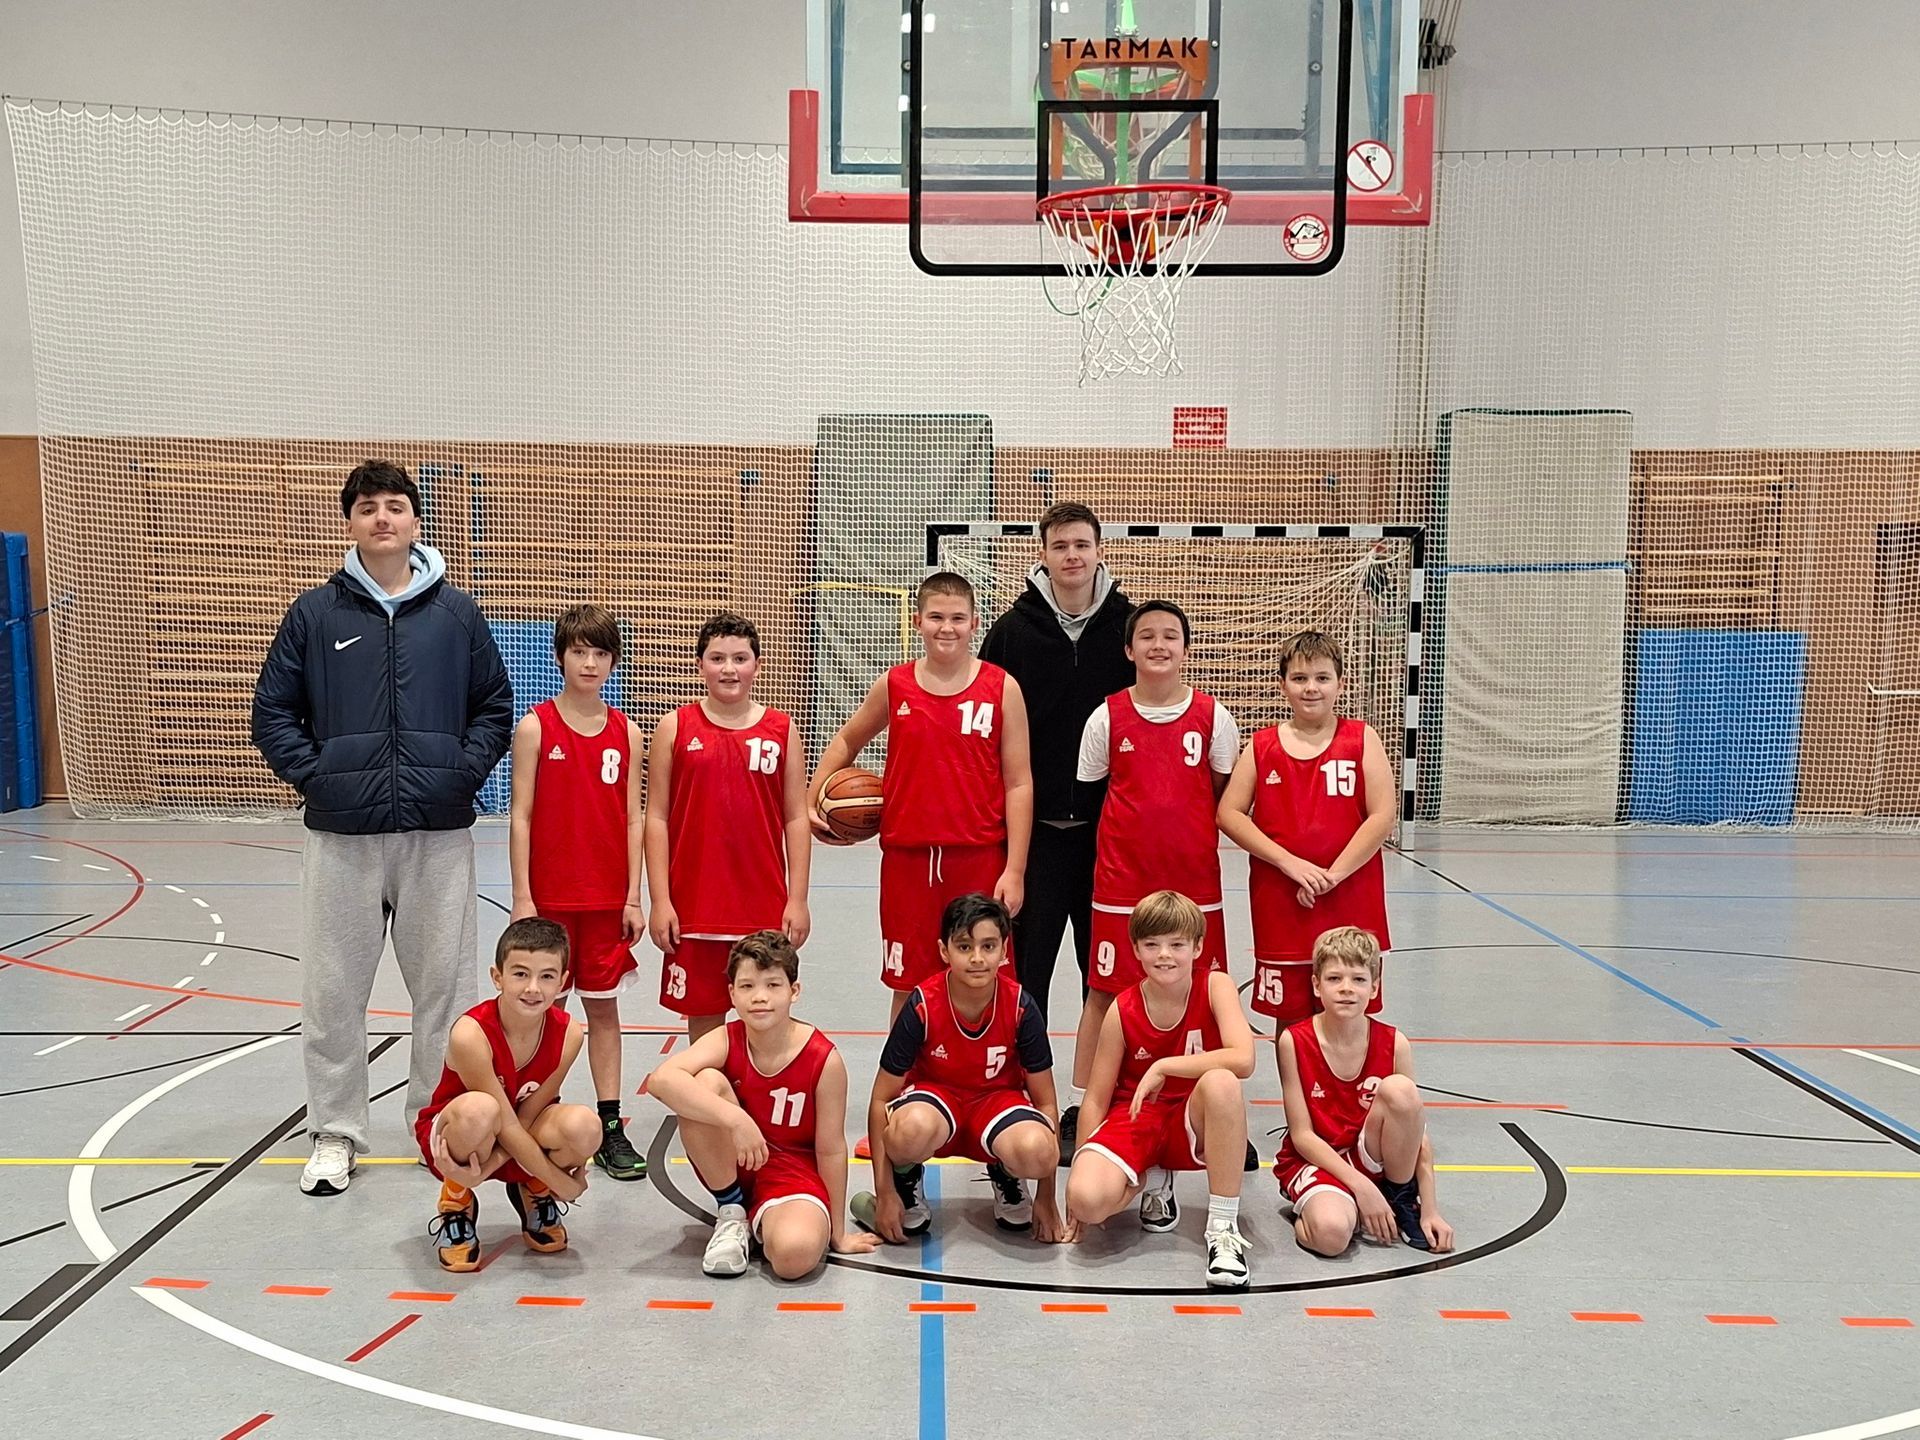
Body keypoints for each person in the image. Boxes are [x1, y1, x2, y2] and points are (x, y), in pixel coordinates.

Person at [252, 459, 512, 1197]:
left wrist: (459, 773)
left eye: (395, 505)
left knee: (446, 995)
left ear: (416, 520)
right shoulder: (314, 615)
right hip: (342, 836)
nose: (382, 518)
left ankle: (439, 1127)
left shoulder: (456, 614)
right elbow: (272, 712)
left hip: (437, 832)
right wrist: (320, 776)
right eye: (368, 507)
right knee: (333, 994)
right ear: (351, 523)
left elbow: (493, 706)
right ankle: (336, 1131)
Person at [809, 572, 1033, 1021]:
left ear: (975, 623)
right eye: (936, 617)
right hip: (907, 860)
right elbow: (847, 739)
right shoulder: (895, 685)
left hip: (978, 857)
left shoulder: (1001, 687)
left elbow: (1019, 783)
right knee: (907, 983)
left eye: (957, 618)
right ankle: (904, 1066)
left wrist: (1014, 869)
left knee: (983, 978)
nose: (946, 627)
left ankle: (985, 1065)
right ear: (917, 622)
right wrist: (811, 797)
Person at [1062, 599, 1238, 1158]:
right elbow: (1092, 795)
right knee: (1103, 991)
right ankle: (1085, 1105)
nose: (1159, 645)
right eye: (1147, 636)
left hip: (1195, 884)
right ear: (1128, 649)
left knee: (1205, 992)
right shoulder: (1106, 717)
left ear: (1186, 649)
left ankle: (1212, 1112)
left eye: (1170, 636)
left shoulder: (1214, 717)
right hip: (1122, 883)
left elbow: (1221, 795)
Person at [647, 931, 879, 1279]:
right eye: (747, 986)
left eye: (772, 985)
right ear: (732, 994)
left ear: (793, 991)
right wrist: (736, 1119)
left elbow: (831, 1149)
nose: (759, 997)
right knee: (703, 1083)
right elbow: (661, 1080)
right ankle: (732, 1212)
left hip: (792, 1175)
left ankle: (769, 1225)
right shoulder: (727, 1038)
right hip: (734, 1163)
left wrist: (838, 1233)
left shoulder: (823, 1059)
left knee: (793, 1257)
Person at [507, 604, 647, 1181]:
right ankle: (544, 1115)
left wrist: (633, 896)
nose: (590, 662)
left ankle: (611, 1126)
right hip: (550, 899)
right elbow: (520, 815)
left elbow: (634, 819)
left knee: (604, 1011)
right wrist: (522, 896)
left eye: (600, 653)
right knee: (548, 1013)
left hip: (606, 899)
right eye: (579, 651)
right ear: (561, 657)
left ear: (613, 661)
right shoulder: (535, 727)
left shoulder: (626, 732)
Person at [979, 502, 1134, 1022]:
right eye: (1060, 546)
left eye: (1082, 545)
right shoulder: (1011, 632)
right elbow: (987, 728)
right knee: (1025, 979)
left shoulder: (1128, 629)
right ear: (1042, 554)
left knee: (1107, 978)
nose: (1072, 555)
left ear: (1099, 551)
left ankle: (1103, 1074)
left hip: (1106, 837)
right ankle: (1025, 1071)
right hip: (1034, 838)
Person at [851, 894, 1072, 1244]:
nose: (977, 958)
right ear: (944, 951)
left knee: (1040, 1150)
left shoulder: (1021, 1006)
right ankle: (905, 1179)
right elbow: (881, 1099)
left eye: (988, 946)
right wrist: (885, 1190)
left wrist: (1047, 1195)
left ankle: (1007, 1172)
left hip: (996, 1105)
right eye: (965, 946)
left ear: (1004, 951)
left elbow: (1045, 1102)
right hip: (937, 1105)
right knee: (910, 1129)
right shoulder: (923, 1004)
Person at [1065, 891, 1256, 1288]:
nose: (1164, 955)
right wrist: (1078, 1173)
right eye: (1152, 944)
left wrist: (1165, 1065)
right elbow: (1096, 1097)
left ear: (1198, 947)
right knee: (1086, 1200)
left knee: (1222, 1081)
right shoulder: (1122, 1008)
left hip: (1192, 1116)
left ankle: (1223, 1228)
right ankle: (1151, 1180)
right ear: (1136, 950)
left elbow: (1243, 1059)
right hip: (1139, 1115)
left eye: (1176, 944)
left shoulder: (1215, 986)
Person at [1217, 629, 1394, 1057]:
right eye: (1299, 678)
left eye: (1321, 677)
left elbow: (1382, 815)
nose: (1311, 688)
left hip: (1350, 896)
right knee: (1291, 1016)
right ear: (1283, 684)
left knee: (1350, 1004)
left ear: (1340, 683)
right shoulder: (1262, 746)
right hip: (1282, 900)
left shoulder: (1361, 739)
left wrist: (1332, 875)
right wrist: (1289, 863)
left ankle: (1350, 1096)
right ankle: (1297, 1100)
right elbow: (1229, 814)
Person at [645, 613, 812, 1043]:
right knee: (704, 1023)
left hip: (763, 902)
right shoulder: (674, 727)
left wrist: (797, 898)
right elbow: (656, 817)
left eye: (740, 658)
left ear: (757, 665)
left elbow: (796, 817)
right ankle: (706, 1088)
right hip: (695, 903)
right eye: (717, 658)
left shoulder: (782, 729)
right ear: (700, 664)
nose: (729, 669)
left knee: (764, 1014)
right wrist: (660, 900)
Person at [416, 918, 599, 1272]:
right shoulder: (470, 1034)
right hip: (460, 1136)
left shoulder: (570, 1034)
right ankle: (456, 1198)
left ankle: (533, 1186)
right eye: (520, 974)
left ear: (563, 981)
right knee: (480, 1110)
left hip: (519, 1130)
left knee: (585, 1126)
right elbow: (504, 1125)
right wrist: (563, 1184)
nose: (533, 988)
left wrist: (497, 1170)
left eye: (547, 976)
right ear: (497, 977)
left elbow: (526, 1118)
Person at [1274, 926, 1454, 1256]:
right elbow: (1302, 1136)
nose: (1346, 988)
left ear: (1374, 987)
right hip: (1319, 1160)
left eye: (1358, 979)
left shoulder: (1395, 1043)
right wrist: (1361, 1188)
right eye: (1334, 978)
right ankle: (1320, 1205)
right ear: (1316, 985)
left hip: (1371, 1154)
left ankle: (1401, 1197)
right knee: (1330, 1236)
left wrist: (1430, 1209)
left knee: (1401, 1090)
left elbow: (1418, 1136)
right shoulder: (1294, 1041)